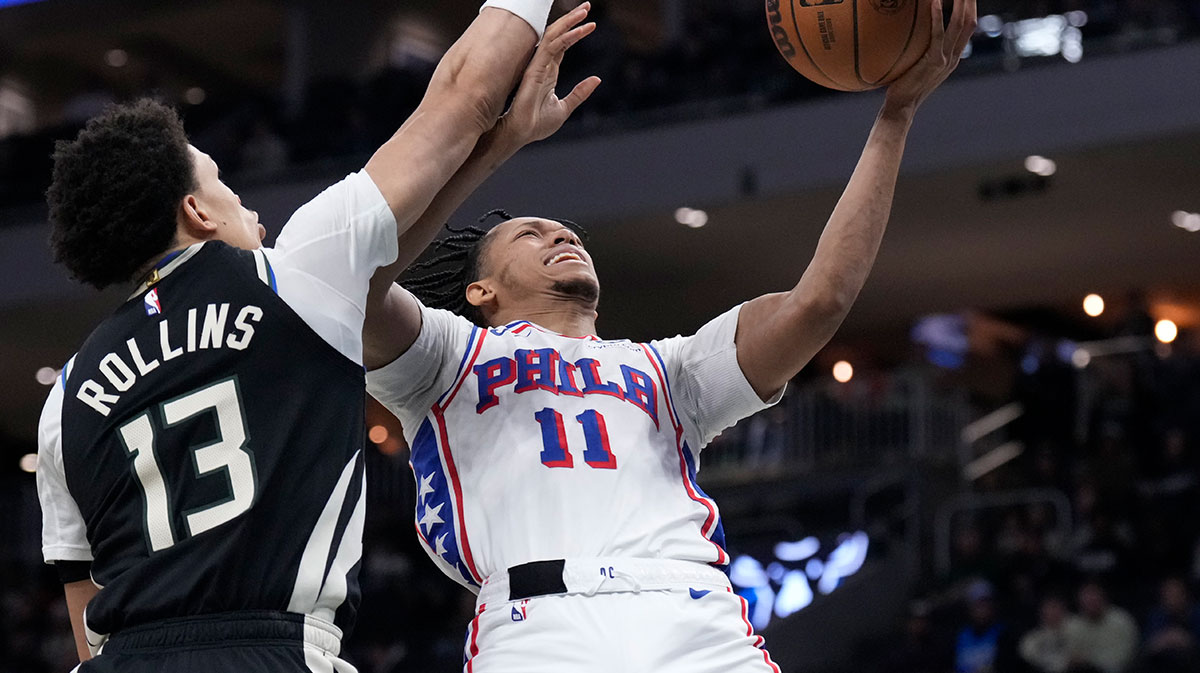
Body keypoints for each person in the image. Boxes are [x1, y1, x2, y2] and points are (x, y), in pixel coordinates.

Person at [361, 0, 978, 670]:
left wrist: (895, 117)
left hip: (696, 612)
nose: (562, 234)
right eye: (530, 234)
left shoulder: (671, 369)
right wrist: (498, 146)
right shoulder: (446, 357)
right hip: (543, 619)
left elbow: (820, 301)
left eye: (565, 230)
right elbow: (357, 279)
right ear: (480, 291)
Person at [35, 3, 599, 671]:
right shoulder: (291, 272)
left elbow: (85, 616)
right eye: (226, 185)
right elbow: (464, 92)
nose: (251, 208)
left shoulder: (63, 401)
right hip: (271, 651)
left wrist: (501, 142)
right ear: (196, 211)